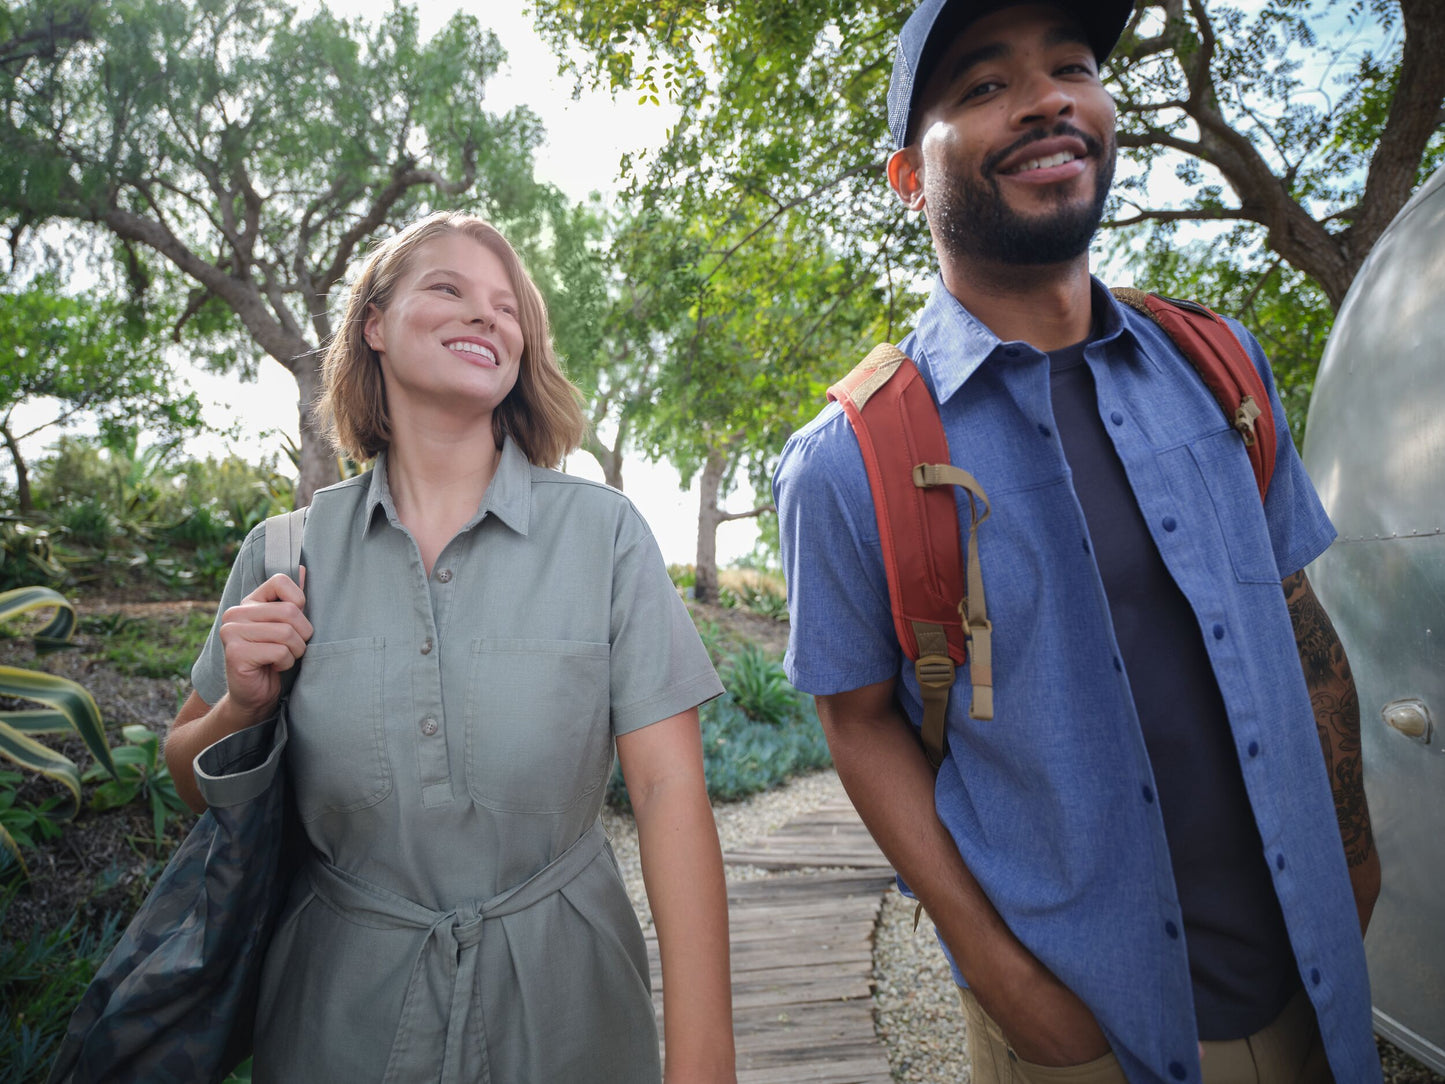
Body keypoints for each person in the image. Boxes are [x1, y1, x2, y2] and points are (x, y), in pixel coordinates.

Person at [772, 3, 1381, 1083]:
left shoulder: (1219, 368)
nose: (1046, 96)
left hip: (1310, 997)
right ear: (907, 176)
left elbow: (1293, 612)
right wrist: (1008, 983)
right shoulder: (845, 462)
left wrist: (1353, 864)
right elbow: (858, 724)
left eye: (1071, 66)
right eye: (981, 85)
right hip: (1078, 1037)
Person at [164, 212, 737, 1083]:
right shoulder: (283, 555)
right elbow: (186, 774)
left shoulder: (604, 535)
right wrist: (244, 706)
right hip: (337, 1014)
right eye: (449, 289)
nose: (486, 317)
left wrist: (703, 1062)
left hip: (570, 1001)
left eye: (507, 309)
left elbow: (666, 792)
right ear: (375, 325)